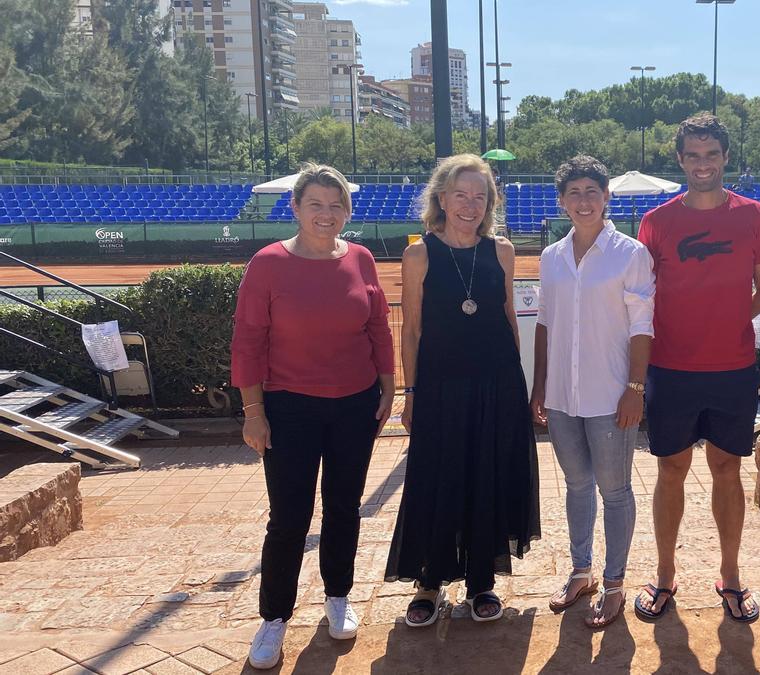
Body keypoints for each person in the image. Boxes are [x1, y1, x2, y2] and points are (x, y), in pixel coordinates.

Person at [231, 163, 395, 669]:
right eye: (316, 204)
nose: (327, 214)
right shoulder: (267, 263)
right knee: (289, 518)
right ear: (297, 208)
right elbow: (248, 341)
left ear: (348, 210)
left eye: (336, 204)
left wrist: (388, 388)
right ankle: (274, 618)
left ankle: (337, 597)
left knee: (344, 508)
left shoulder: (362, 259)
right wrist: (253, 411)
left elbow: (378, 329)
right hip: (288, 408)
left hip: (355, 404)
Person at [632, 113, 760, 624]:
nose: (702, 164)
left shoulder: (756, 215)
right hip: (670, 369)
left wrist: (733, 318)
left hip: (732, 367)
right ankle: (666, 574)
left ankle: (731, 575)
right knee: (671, 470)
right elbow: (641, 293)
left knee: (726, 469)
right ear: (680, 160)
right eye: (693, 155)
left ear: (724, 158)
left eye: (711, 154)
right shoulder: (656, 222)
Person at [384, 154, 539, 627]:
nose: (470, 205)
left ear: (490, 202)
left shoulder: (503, 251)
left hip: (497, 384)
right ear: (442, 198)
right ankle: (429, 580)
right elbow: (411, 331)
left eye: (480, 196)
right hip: (440, 386)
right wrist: (410, 393)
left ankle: (480, 581)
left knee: (486, 474)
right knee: (437, 475)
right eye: (461, 194)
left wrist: (519, 389)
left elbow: (510, 320)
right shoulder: (419, 254)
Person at [531, 155, 655, 629]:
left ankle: (617, 583)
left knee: (616, 491)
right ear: (562, 202)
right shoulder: (550, 257)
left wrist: (635, 387)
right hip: (563, 396)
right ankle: (581, 572)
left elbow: (643, 325)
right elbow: (545, 323)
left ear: (607, 197)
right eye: (574, 193)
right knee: (578, 487)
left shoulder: (630, 253)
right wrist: (539, 387)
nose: (583, 201)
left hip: (612, 397)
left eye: (592, 192)